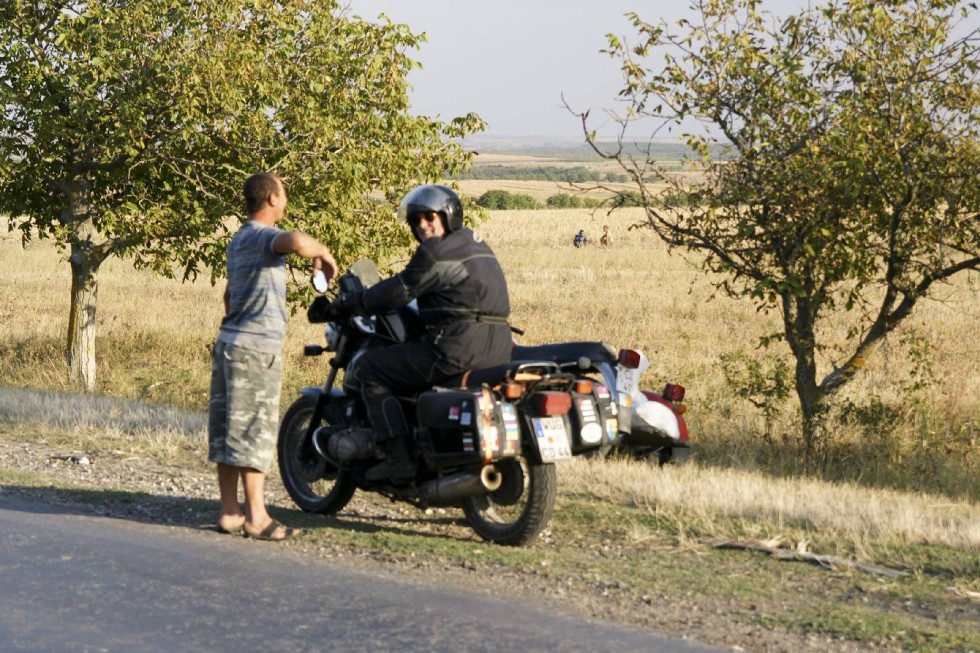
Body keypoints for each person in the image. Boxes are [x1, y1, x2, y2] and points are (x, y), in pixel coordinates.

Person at [330, 184, 511, 481]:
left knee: (368, 368)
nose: (422, 225)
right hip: (498, 347)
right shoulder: (477, 245)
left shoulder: (436, 252)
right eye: (416, 220)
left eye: (429, 217)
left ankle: (398, 457)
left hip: (456, 347)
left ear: (448, 215)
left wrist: (353, 303)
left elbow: (400, 290)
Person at [208, 172, 338, 540]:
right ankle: (258, 518)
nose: (286, 199)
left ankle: (230, 512)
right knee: (254, 429)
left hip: (229, 343)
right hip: (255, 348)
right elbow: (296, 242)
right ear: (271, 200)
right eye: (284, 193)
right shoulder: (265, 238)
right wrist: (324, 253)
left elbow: (229, 297)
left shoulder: (239, 240)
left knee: (227, 428)